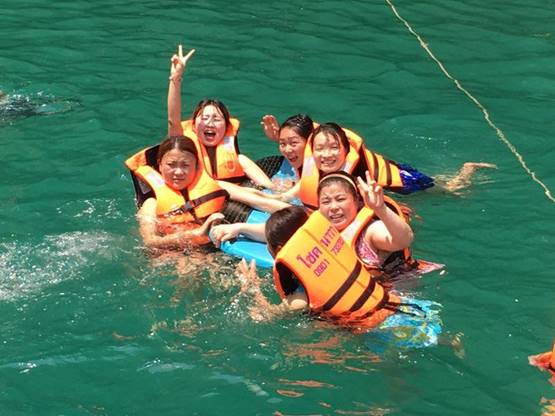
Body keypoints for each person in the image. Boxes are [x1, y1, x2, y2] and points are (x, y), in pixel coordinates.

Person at [236, 206, 441, 350]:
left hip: (382, 331)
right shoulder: (337, 251)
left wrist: (250, 286)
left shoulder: (300, 294)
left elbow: (266, 316)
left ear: (279, 249)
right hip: (405, 307)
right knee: (439, 342)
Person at [167, 45, 275, 189]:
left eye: (216, 119)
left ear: (226, 127)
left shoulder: (239, 160)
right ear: (194, 126)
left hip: (235, 197)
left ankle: (277, 195)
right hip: (201, 196)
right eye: (204, 118)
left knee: (242, 161)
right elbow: (173, 120)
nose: (210, 123)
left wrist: (277, 136)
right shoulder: (184, 146)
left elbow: (269, 187)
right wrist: (176, 78)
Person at [125, 135, 227, 252]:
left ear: (196, 166)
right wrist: (196, 233)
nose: (178, 172)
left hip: (212, 249)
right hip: (172, 253)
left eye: (185, 165)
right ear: (160, 165)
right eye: (171, 165)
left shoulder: (217, 187)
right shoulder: (151, 204)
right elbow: (149, 241)